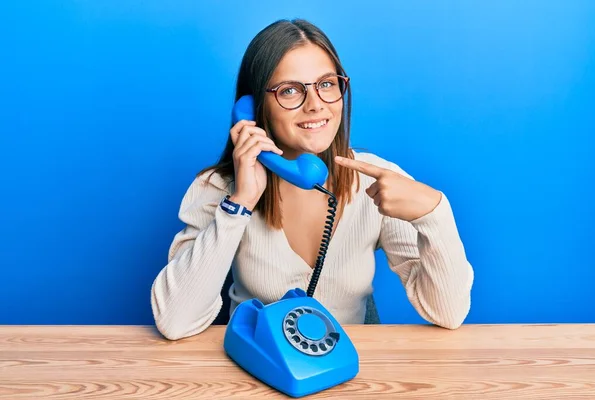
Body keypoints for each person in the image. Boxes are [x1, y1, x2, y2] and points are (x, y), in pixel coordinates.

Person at [150, 19, 474, 341]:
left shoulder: (373, 181)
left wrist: (434, 213)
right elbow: (174, 321)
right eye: (290, 90)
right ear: (251, 108)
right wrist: (241, 202)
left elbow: (447, 312)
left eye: (327, 84)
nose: (316, 104)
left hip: (350, 377)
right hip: (254, 372)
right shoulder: (219, 187)